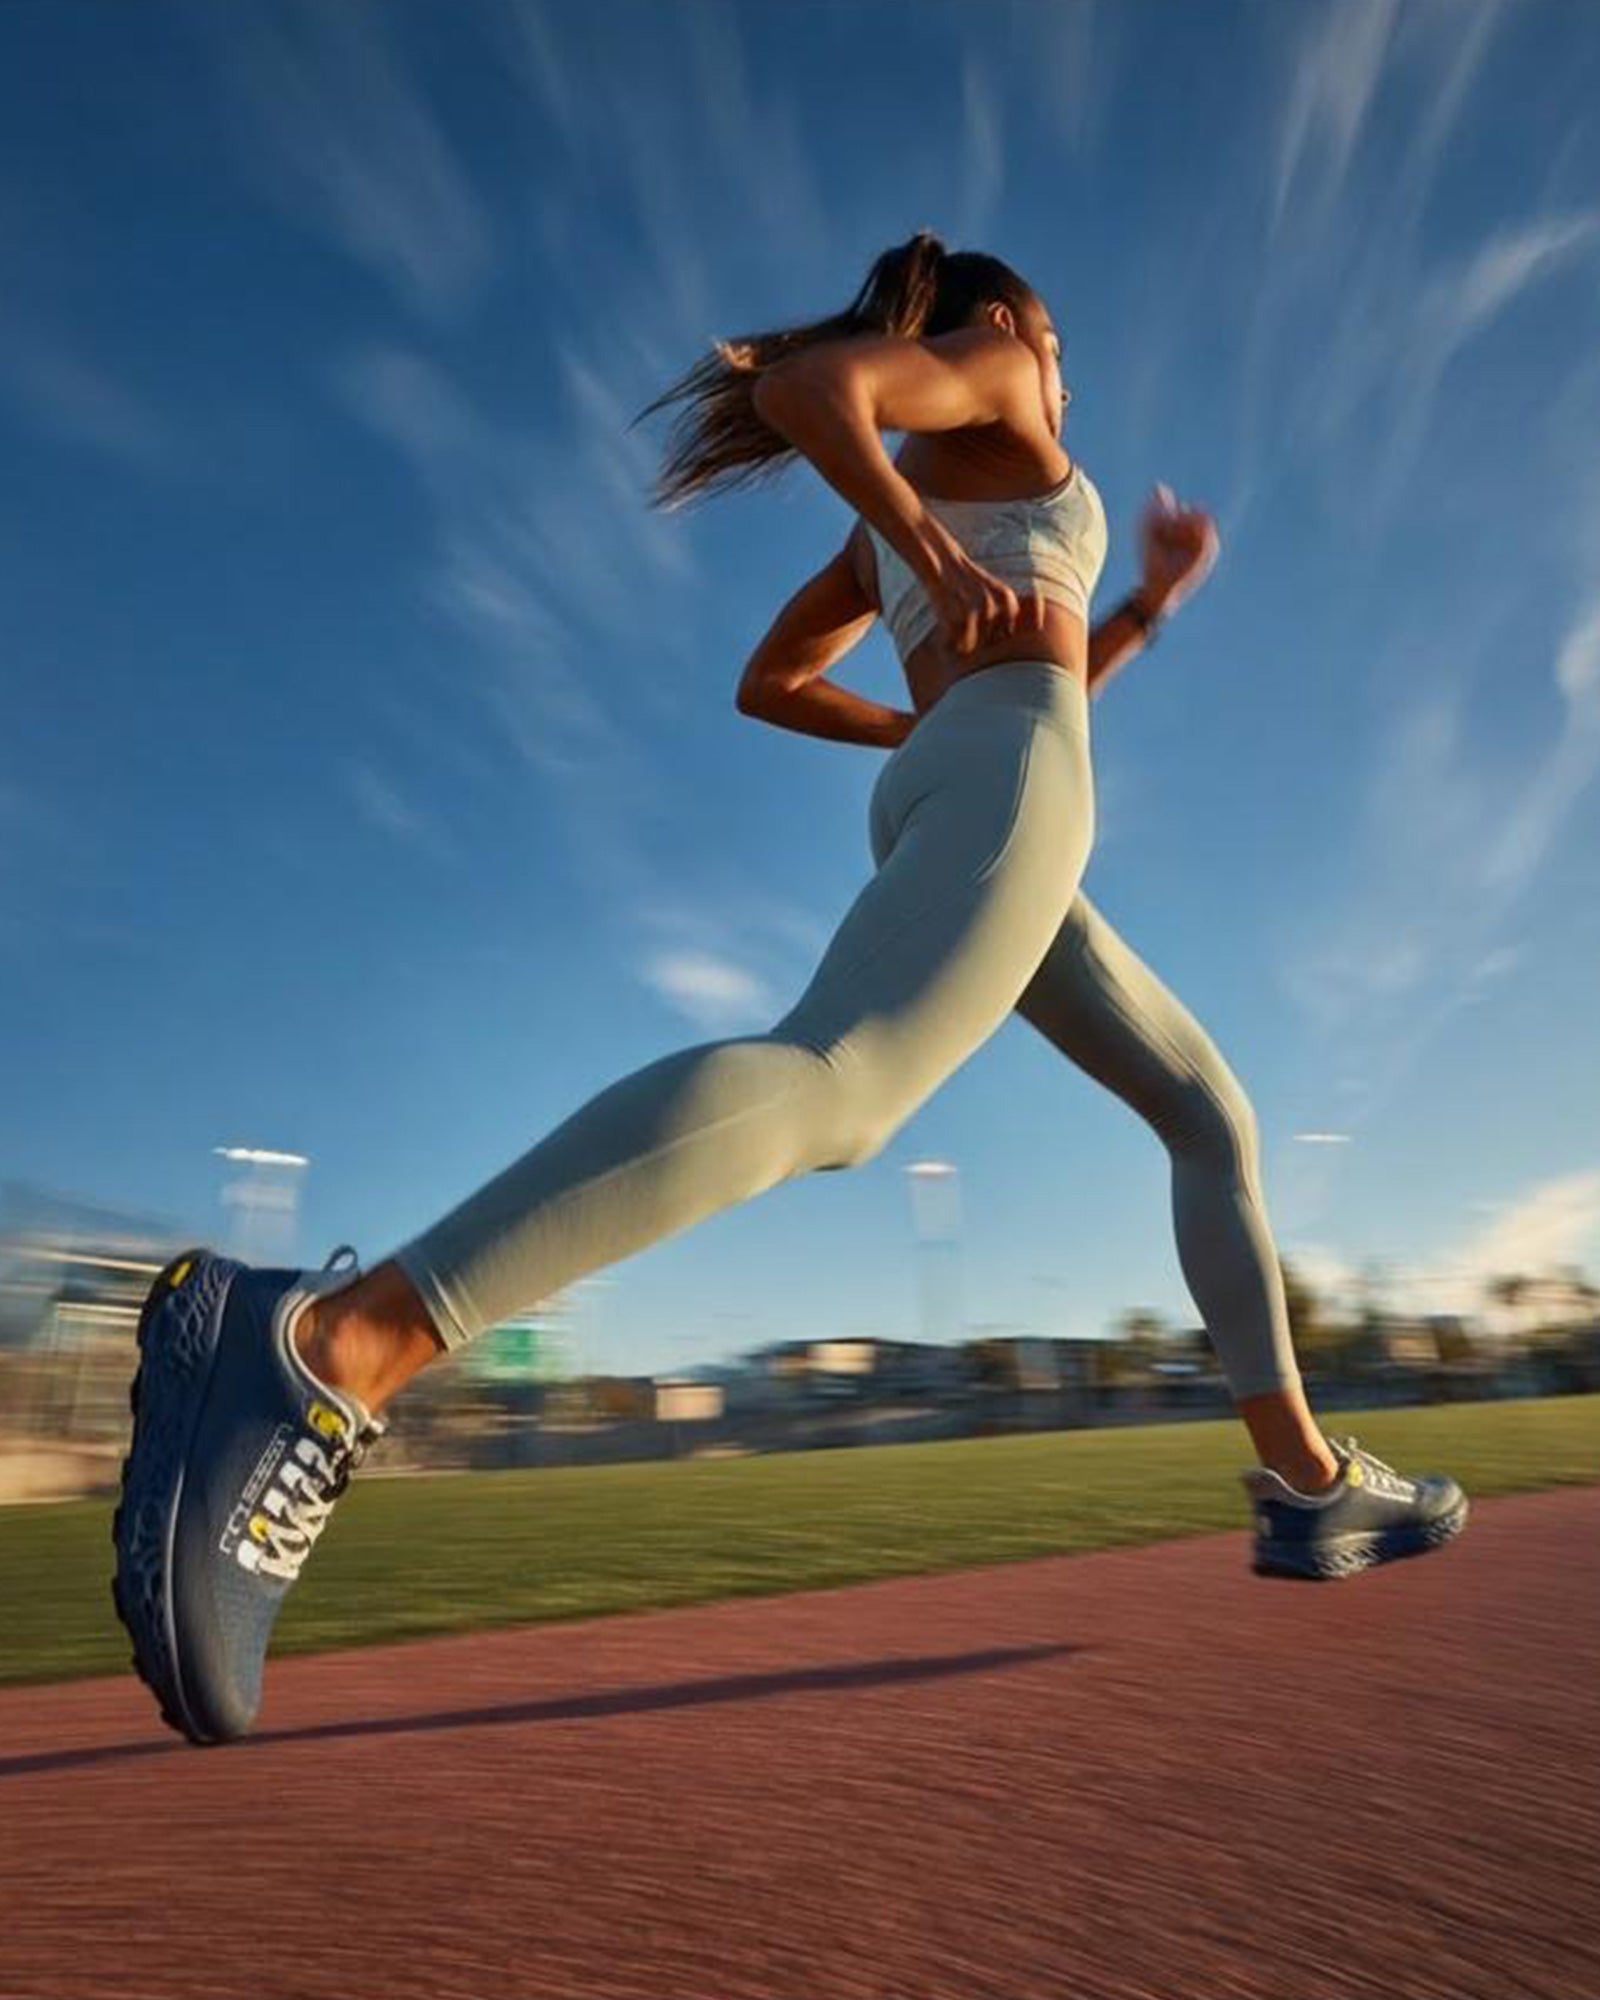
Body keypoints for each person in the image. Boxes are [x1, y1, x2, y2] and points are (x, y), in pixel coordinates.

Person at [112, 230, 1466, 1747]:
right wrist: (941, 567)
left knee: (1209, 1115)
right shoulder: (1001, 373)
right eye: (1057, 346)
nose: (1061, 377)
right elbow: (822, 389)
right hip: (1010, 784)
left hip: (982, 787)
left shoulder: (934, 522)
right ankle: (326, 1349)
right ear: (1014, 322)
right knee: (840, 1087)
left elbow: (777, 682)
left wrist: (1071, 640)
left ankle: (1308, 1492)